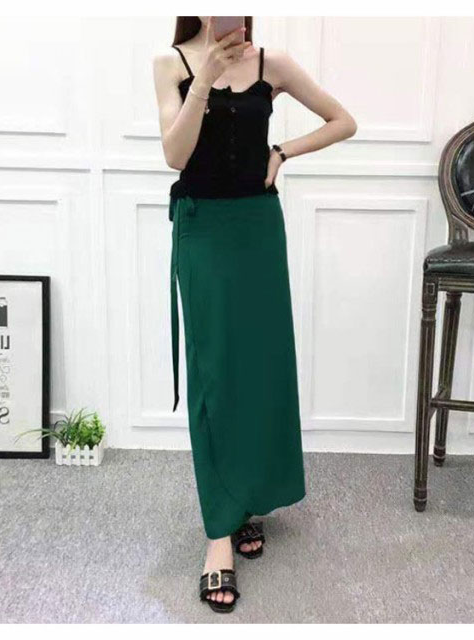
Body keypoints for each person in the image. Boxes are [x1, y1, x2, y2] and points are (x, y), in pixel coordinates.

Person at [153, 16, 357, 613]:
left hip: (258, 228)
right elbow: (174, 155)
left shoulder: (274, 63)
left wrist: (283, 152)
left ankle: (246, 500)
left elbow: (343, 121)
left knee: (260, 368)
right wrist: (205, 78)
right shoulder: (171, 64)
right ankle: (219, 534)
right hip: (203, 228)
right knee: (214, 374)